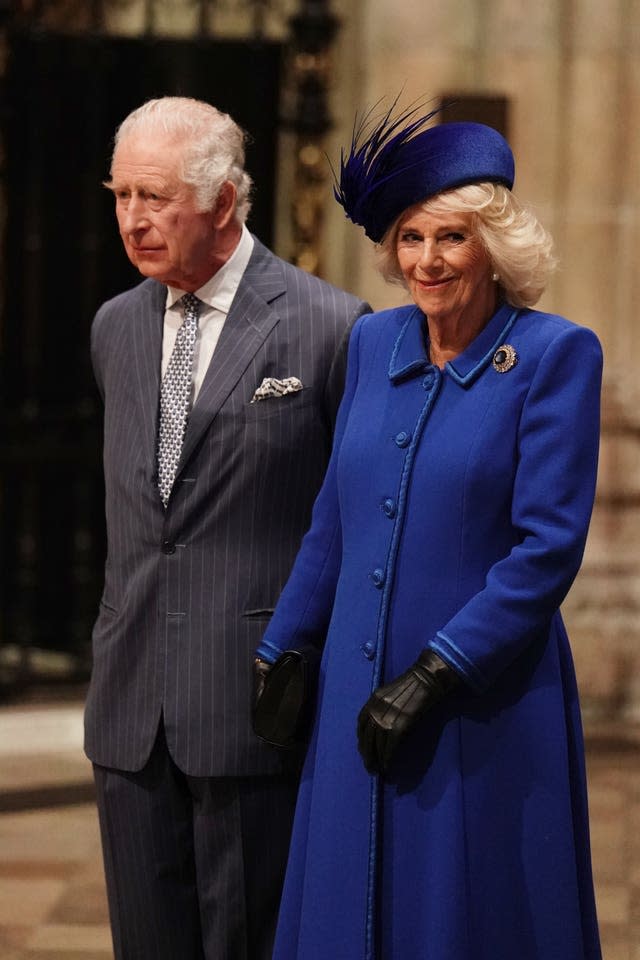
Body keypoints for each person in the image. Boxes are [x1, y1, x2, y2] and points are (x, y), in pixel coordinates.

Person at [254, 102, 603, 960]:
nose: (427, 260)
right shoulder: (374, 343)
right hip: (354, 686)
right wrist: (284, 648)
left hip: (478, 701)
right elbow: (333, 518)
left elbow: (547, 548)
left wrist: (440, 671)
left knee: (462, 916)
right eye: (411, 238)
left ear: (495, 245)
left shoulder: (556, 356)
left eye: (451, 237)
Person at [85, 95, 370, 960]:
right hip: (130, 707)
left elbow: (351, 528)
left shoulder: (331, 327)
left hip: (253, 706)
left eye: (156, 197)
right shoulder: (115, 326)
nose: (134, 219)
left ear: (225, 199)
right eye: (122, 194)